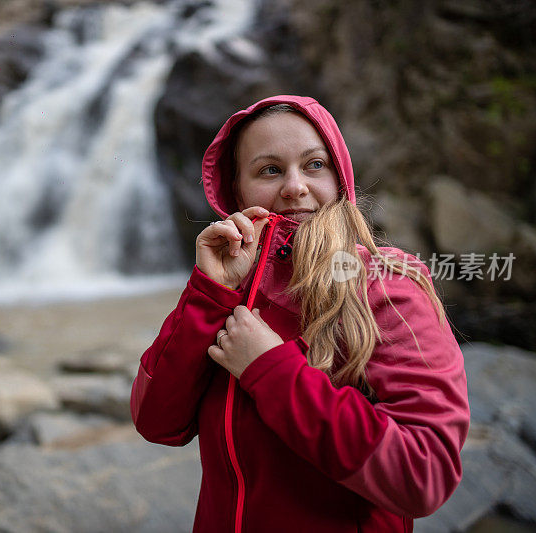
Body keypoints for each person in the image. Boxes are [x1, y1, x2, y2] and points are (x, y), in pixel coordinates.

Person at [130, 95, 469, 533]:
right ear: (238, 192)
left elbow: (424, 474)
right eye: (270, 170)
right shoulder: (231, 294)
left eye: (314, 165)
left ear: (339, 177)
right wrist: (209, 292)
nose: (294, 187)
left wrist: (268, 367)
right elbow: (157, 422)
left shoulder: (387, 286)